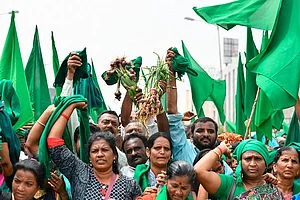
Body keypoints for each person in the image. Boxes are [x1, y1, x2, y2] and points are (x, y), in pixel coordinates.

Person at [47, 101, 142, 199]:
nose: (100, 154)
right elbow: (54, 143)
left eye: (105, 150)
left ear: (114, 155)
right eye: (94, 151)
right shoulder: (79, 172)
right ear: (89, 156)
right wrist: (71, 106)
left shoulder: (130, 185)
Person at [164, 48, 233, 175]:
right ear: (191, 135)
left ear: (217, 136)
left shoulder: (224, 167)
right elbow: (172, 111)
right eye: (200, 130)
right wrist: (171, 71)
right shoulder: (182, 148)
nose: (206, 134)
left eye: (210, 131)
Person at [194, 139, 284, 199]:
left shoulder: (274, 190)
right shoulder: (229, 184)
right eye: (247, 159)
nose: (252, 164)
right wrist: (221, 149)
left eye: (258, 159)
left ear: (266, 163)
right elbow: (199, 170)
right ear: (240, 162)